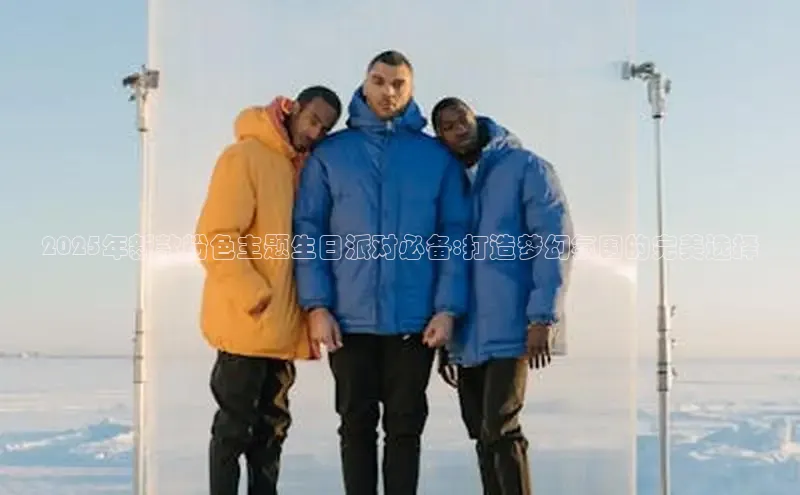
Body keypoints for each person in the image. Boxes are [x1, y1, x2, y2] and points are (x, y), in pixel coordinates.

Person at [292, 50, 471, 495]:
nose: (388, 91)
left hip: (416, 323)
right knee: (355, 426)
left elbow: (454, 235)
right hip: (347, 321)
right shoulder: (331, 154)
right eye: (379, 81)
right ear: (365, 83)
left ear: (411, 89)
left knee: (405, 428)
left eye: (398, 84)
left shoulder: (436, 157)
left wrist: (447, 308)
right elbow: (309, 231)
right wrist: (316, 305)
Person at [194, 86, 342, 495]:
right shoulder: (245, 157)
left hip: (283, 330)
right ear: (292, 109)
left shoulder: (304, 169)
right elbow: (216, 236)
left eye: (325, 129)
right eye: (312, 120)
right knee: (233, 430)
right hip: (246, 324)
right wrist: (253, 293)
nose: (315, 132)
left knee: (272, 432)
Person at [431, 97, 574, 495]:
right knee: (481, 432)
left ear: (475, 117)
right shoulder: (450, 182)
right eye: (446, 126)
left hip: (514, 326)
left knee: (501, 424)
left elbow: (554, 242)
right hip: (466, 334)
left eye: (462, 119)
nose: (458, 129)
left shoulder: (526, 167)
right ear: (440, 137)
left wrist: (543, 317)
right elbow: (445, 259)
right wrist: (447, 342)